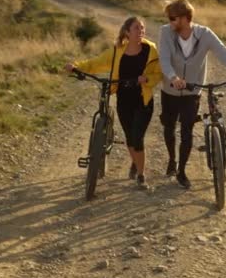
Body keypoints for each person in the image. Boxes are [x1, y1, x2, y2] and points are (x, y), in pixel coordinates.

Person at [158, 0, 226, 189]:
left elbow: (223, 52)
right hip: (170, 89)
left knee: (187, 131)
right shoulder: (165, 32)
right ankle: (171, 160)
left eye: (173, 18)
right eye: (169, 18)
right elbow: (164, 59)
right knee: (168, 127)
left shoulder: (204, 34)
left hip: (193, 90)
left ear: (185, 18)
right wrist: (173, 78)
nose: (170, 21)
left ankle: (181, 171)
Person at [65, 16, 162, 189]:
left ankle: (141, 175)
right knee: (130, 139)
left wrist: (147, 78)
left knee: (137, 137)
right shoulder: (118, 50)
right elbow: (97, 63)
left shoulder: (151, 50)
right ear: (127, 32)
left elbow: (159, 74)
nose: (141, 31)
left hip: (143, 100)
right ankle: (135, 161)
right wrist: (77, 66)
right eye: (137, 28)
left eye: (142, 28)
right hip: (123, 99)